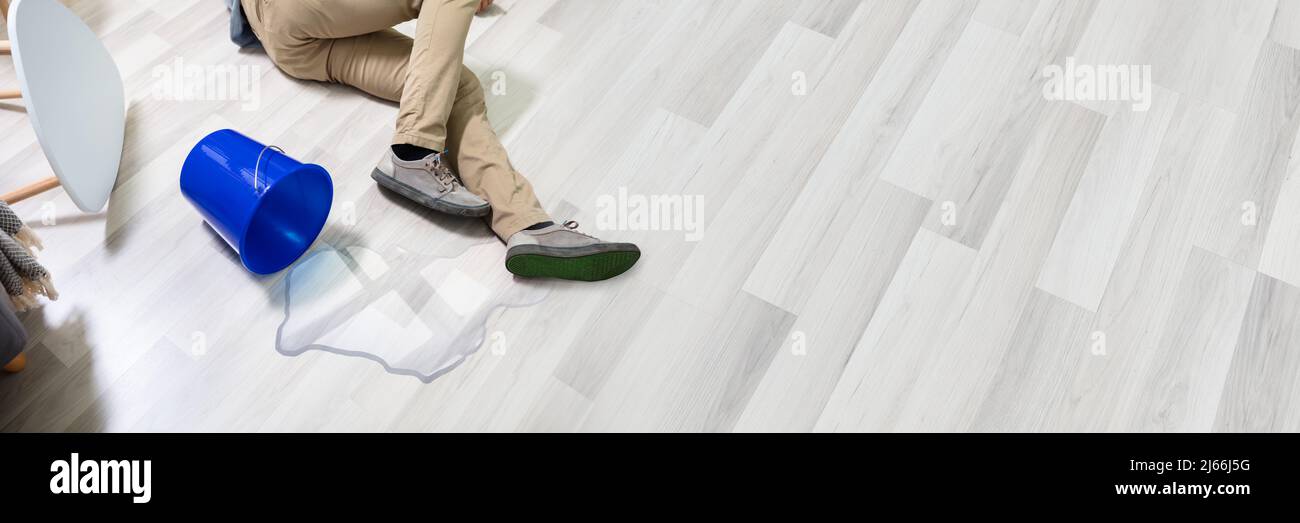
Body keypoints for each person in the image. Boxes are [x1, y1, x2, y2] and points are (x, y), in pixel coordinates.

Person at [229, 0, 640, 282]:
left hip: (295, 47)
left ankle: (526, 225)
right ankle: (414, 151)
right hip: (287, 9)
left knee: (453, 85)